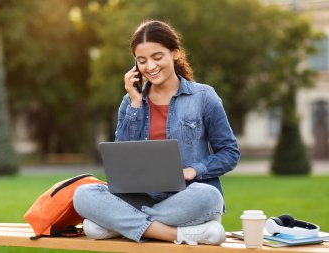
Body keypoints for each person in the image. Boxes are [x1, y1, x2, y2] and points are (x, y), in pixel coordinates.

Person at [73, 20, 240, 246]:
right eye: (142, 61)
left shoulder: (203, 97)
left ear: (175, 53)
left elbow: (229, 153)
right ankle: (177, 234)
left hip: (188, 198)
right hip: (143, 197)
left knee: (210, 197)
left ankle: (120, 225)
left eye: (157, 57)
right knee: (83, 195)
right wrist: (134, 104)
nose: (150, 66)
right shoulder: (130, 102)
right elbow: (121, 159)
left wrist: (194, 170)